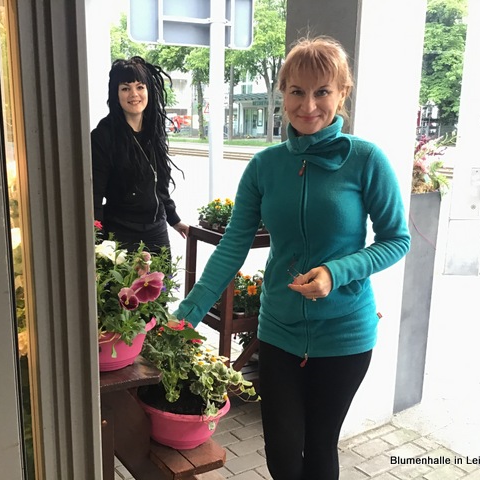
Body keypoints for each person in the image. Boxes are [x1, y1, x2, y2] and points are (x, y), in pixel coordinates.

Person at [173, 36, 410, 479]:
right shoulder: (264, 166)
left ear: (342, 93)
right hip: (279, 331)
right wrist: (186, 316)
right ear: (282, 92)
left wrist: (336, 273)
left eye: (322, 91)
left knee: (320, 450)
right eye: (297, 91)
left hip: (344, 333)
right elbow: (233, 245)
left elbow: (396, 239)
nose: (309, 105)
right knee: (282, 452)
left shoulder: (365, 160)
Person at [91, 56, 189, 254]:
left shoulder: (154, 130)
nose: (134, 94)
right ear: (116, 93)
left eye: (140, 87)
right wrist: (96, 240)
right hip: (121, 233)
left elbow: (159, 182)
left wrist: (174, 219)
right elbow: (94, 194)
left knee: (161, 276)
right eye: (125, 88)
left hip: (156, 231)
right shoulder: (103, 135)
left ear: (148, 90)